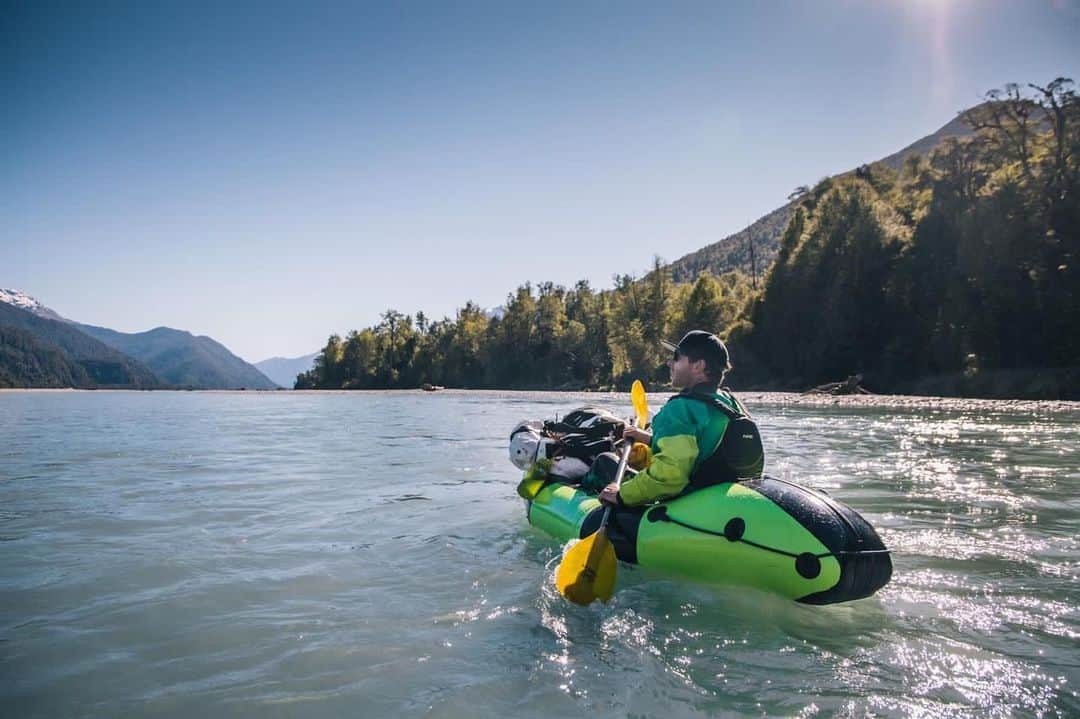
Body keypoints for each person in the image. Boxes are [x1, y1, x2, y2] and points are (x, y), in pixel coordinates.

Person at [597, 330, 764, 507]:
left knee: (604, 463)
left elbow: (670, 477)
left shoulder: (680, 408)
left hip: (690, 503)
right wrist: (648, 439)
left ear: (698, 366)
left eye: (677, 357)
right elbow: (702, 447)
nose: (670, 363)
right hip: (725, 501)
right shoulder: (733, 404)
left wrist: (622, 494)